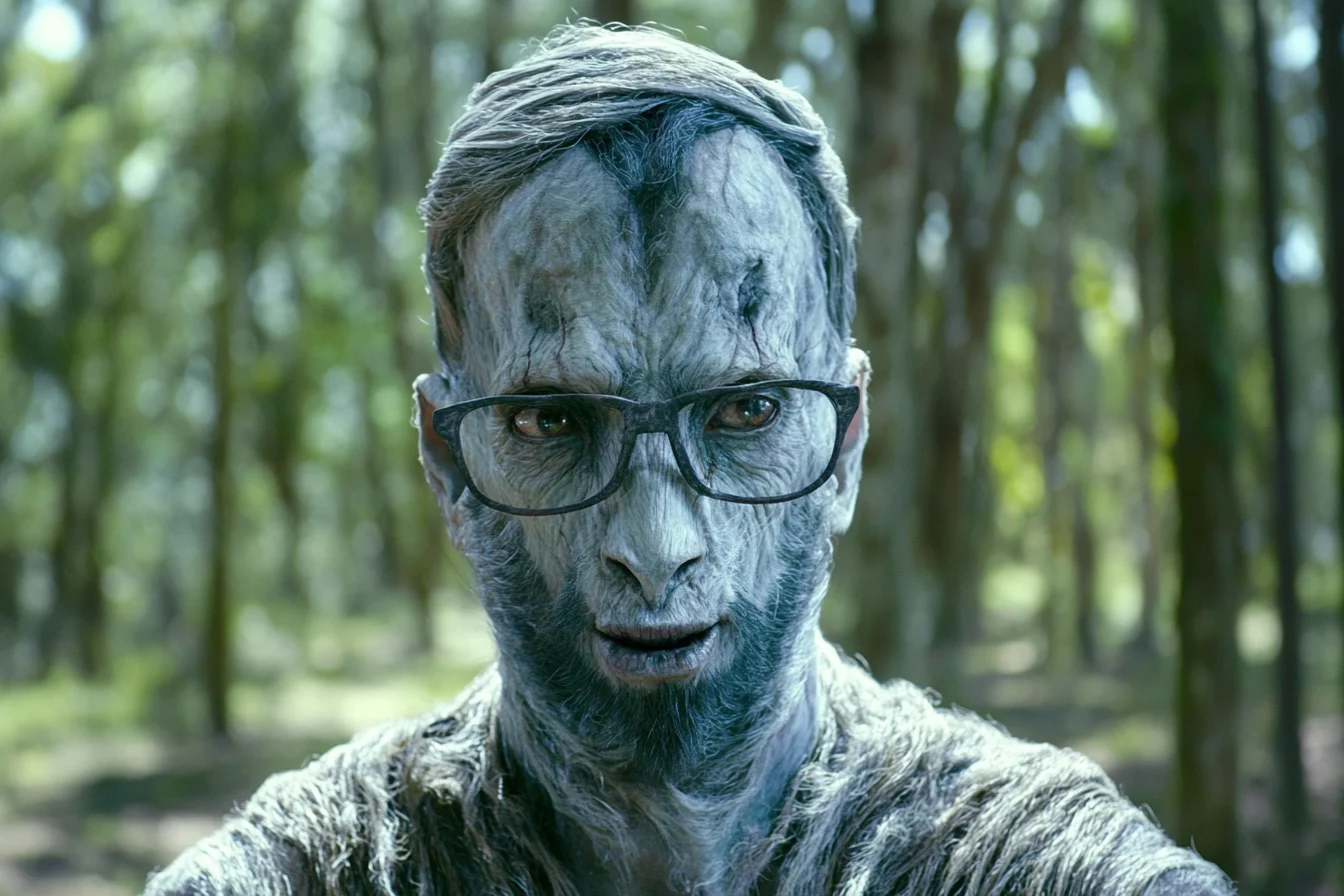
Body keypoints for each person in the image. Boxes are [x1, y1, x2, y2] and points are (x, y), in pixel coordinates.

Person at [145, 24, 1234, 896]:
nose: (657, 546)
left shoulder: (1015, 860)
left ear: (846, 443)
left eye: (746, 410)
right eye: (551, 422)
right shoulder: (322, 868)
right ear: (448, 461)